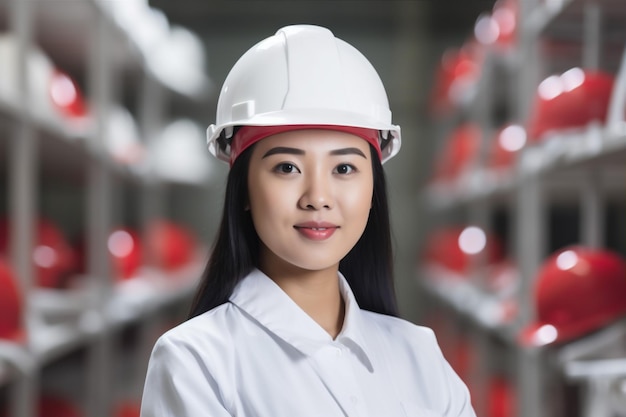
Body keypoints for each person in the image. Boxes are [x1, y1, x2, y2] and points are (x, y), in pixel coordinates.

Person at [140, 24, 476, 417]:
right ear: (244, 189)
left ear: (373, 190)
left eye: (345, 168)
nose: (317, 197)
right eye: (287, 167)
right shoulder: (196, 362)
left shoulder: (420, 355)